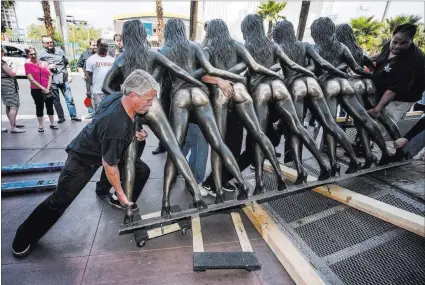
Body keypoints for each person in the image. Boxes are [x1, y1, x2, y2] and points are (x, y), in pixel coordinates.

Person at [12, 69, 159, 258]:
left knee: (141, 170)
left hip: (102, 144)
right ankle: (22, 237)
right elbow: (110, 166)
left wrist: (132, 133)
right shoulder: (117, 125)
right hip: (82, 160)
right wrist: (122, 194)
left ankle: (108, 194)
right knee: (59, 202)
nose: (151, 103)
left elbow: (107, 123)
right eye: (148, 99)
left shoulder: (116, 98)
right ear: (133, 95)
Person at [368, 23, 425, 124]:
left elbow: (393, 90)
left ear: (411, 41)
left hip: (399, 100)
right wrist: (366, 59)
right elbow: (382, 55)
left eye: (403, 43)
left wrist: (377, 110)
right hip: (382, 91)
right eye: (395, 42)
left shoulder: (412, 60)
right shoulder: (390, 44)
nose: (397, 46)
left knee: (380, 126)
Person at [39, 35, 81, 123]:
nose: (50, 44)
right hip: (52, 80)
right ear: (43, 44)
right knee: (55, 100)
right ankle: (61, 117)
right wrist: (47, 67)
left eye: (51, 42)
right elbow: (38, 68)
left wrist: (69, 75)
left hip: (63, 78)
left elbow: (67, 63)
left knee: (69, 98)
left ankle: (73, 116)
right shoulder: (41, 54)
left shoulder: (59, 51)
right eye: (47, 43)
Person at [24, 47, 58, 132]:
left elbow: (49, 75)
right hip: (36, 89)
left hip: (48, 88)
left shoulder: (44, 63)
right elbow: (31, 79)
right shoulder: (27, 64)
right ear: (28, 55)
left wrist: (47, 88)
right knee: (39, 106)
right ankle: (40, 125)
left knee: (50, 106)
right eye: (31, 54)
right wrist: (43, 88)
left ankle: (52, 123)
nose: (33, 55)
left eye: (34, 53)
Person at [85, 38, 114, 112]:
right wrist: (88, 90)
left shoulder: (112, 60)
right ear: (97, 46)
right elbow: (88, 76)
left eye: (107, 46)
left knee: (109, 112)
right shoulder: (91, 60)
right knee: (99, 113)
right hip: (97, 91)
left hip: (109, 91)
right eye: (103, 46)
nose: (105, 48)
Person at [1, 47, 24, 133]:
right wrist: (14, 67)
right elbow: (12, 73)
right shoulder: (2, 62)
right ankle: (13, 127)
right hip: (8, 86)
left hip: (3, 85)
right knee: (14, 105)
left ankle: (13, 123)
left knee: (8, 105)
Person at [77, 38, 97, 119]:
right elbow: (79, 65)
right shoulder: (84, 54)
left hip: (98, 80)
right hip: (89, 80)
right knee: (89, 95)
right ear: (90, 45)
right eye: (93, 45)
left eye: (96, 45)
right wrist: (82, 75)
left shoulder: (101, 54)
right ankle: (91, 112)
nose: (95, 47)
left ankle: (99, 112)